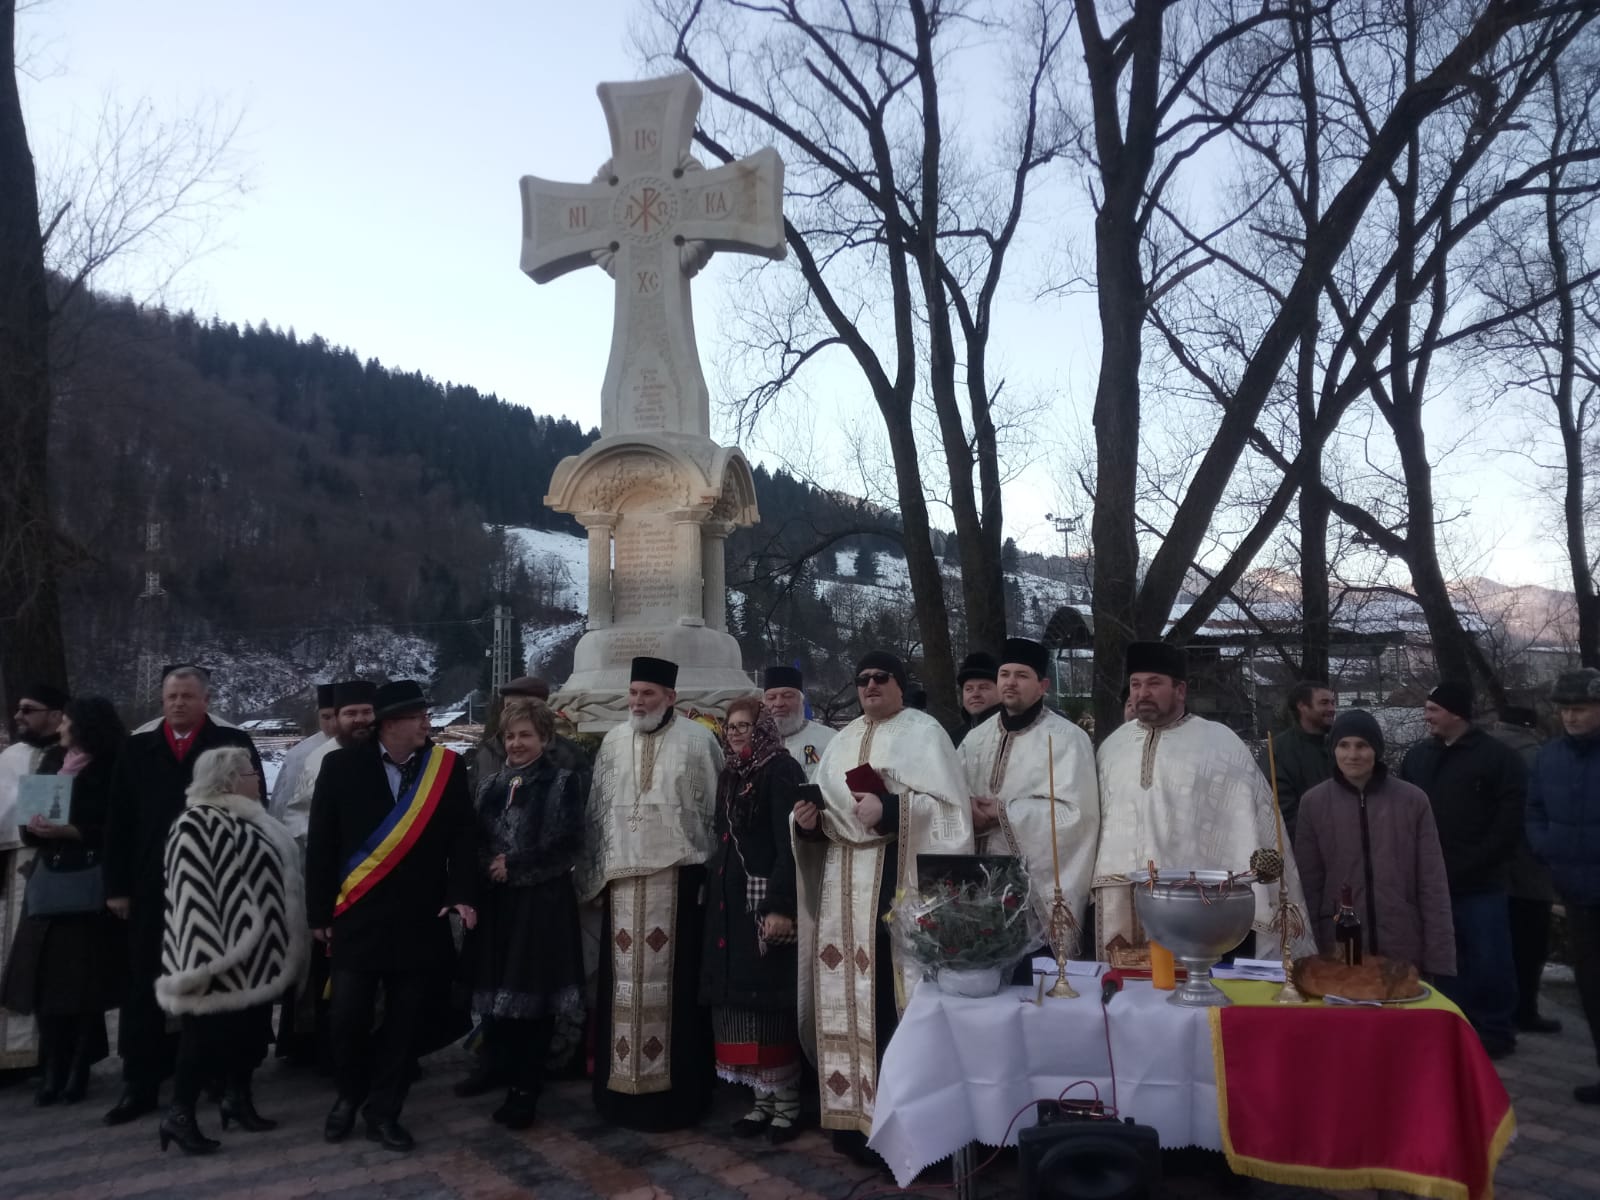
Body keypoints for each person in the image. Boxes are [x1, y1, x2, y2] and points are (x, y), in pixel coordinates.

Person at [794, 650, 973, 1165]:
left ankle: (907, 1128)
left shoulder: (926, 732)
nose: (870, 686)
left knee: (895, 1006)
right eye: (863, 679)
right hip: (843, 896)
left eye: (881, 678)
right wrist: (809, 821)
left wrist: (893, 808)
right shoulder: (843, 739)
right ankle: (854, 1121)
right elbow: (830, 816)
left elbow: (952, 815)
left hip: (900, 889)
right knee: (849, 999)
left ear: (900, 684)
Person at [305, 679, 478, 1152]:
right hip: (357, 917)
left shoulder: (446, 768)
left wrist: (462, 892)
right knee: (347, 1019)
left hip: (420, 919)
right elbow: (321, 843)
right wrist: (318, 912)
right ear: (390, 724)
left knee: (406, 1024)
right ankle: (348, 1095)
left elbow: (464, 837)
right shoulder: (340, 767)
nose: (428, 723)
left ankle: (385, 1110)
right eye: (418, 716)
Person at [103, 665, 263, 1125]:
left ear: (206, 700)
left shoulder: (232, 747)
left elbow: (254, 812)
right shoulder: (138, 749)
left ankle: (225, 1080)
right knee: (146, 986)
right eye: (171, 696)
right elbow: (119, 823)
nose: (178, 703)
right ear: (161, 700)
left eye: (187, 696)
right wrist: (116, 887)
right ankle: (140, 1083)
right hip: (153, 887)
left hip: (218, 890)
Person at [1092, 642, 1314, 962]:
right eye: (1136, 684)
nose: (1142, 693)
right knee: (1128, 994)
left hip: (1201, 901)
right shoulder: (1112, 747)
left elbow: (1249, 822)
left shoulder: (1220, 743)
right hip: (1120, 894)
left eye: (1154, 683)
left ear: (1180, 690)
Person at [577, 656, 722, 1131]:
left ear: (671, 698)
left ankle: (678, 1098)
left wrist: (710, 875)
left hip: (679, 882)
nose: (638, 702)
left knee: (676, 990)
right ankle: (618, 1094)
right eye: (634, 693)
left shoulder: (699, 741)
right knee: (620, 988)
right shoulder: (614, 741)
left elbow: (715, 811)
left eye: (649, 694)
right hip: (622, 882)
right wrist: (595, 875)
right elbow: (598, 810)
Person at [154, 747, 306, 1154]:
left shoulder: (255, 820)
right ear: (229, 779)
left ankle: (238, 1099)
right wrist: (212, 958)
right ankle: (179, 1114)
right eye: (250, 772)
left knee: (250, 1033)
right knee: (202, 1038)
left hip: (260, 955)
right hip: (219, 955)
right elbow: (192, 896)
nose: (258, 777)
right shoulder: (196, 822)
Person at [457, 698, 585, 1129]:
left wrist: (514, 866)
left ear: (545, 739)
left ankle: (525, 1088)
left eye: (525, 735)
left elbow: (565, 843)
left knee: (532, 1000)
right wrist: (486, 866)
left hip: (540, 906)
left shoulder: (563, 783)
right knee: (496, 994)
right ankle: (496, 1065)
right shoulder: (490, 785)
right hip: (498, 904)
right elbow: (474, 837)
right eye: (510, 735)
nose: (516, 743)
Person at [1, 696, 126, 1104]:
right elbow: (30, 824)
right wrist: (36, 828)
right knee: (48, 986)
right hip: (50, 882)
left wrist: (74, 833)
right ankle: (53, 1064)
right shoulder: (53, 760)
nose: (61, 729)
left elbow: (118, 824)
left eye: (68, 722)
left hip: (88, 883)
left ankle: (78, 1069)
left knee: (83, 987)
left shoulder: (112, 765)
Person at [701, 697, 806, 1144]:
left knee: (768, 1003)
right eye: (730, 726)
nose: (736, 733)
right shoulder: (731, 774)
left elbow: (790, 843)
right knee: (741, 1005)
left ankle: (788, 1103)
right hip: (730, 906)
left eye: (745, 726)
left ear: (762, 729)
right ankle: (760, 1101)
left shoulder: (780, 770)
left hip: (764, 902)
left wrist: (781, 904)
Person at [1400, 682, 1524, 1058]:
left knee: (1489, 959)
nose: (1427, 716)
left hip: (1481, 883)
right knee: (1444, 960)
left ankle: (1496, 1030)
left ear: (1456, 713)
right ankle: (1454, 1024)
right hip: (1432, 885)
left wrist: (1474, 864)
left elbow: (1509, 823)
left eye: (1434, 709)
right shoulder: (1419, 757)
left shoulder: (1498, 758)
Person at [959, 638, 1100, 964]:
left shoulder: (1068, 739)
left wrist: (1005, 812)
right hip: (977, 883)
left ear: (1042, 685)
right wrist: (966, 808)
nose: (1010, 682)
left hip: (1032, 893)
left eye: (1021, 675)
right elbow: (952, 794)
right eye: (1004, 674)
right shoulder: (975, 739)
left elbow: (1078, 817)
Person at [1293, 710, 1454, 978]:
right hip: (1339, 945)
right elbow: (1307, 884)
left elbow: (1432, 883)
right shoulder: (1314, 803)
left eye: (1362, 745)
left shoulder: (1412, 801)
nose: (1352, 755)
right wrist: (1306, 952)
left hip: (1402, 944)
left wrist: (1440, 958)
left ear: (1376, 750)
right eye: (1343, 745)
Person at [276, 679, 377, 1064]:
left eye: (365, 712)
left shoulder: (389, 751)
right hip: (335, 881)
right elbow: (296, 817)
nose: (358, 720)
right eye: (349, 713)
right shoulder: (319, 759)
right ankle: (331, 1051)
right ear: (336, 718)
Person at [1526, 669, 1600, 1103]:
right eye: (1566, 709)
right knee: (1592, 988)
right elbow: (1533, 809)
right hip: (1576, 891)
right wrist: (1545, 846)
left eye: (1581, 709)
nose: (1571, 717)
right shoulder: (1549, 756)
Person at [0, 681, 68, 1074]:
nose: (18, 716)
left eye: (28, 709)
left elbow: (48, 821)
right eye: (18, 710)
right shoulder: (11, 757)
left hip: (58, 868)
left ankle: (51, 1054)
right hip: (13, 869)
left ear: (56, 715)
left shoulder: (67, 756)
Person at [1494, 706, 1561, 1035]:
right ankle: (1524, 1011)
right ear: (1531, 727)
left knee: (1494, 944)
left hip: (1488, 868)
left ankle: (1497, 1009)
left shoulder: (1482, 750)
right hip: (1530, 866)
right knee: (1530, 945)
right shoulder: (1537, 756)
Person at [1264, 681, 1335, 840]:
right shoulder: (1279, 751)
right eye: (1324, 703)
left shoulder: (1340, 745)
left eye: (1333, 702)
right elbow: (1281, 808)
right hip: (1303, 847)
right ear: (1302, 706)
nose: (1332, 709)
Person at [269, 684, 337, 823]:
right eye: (326, 717)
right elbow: (281, 803)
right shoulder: (299, 754)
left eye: (338, 715)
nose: (333, 724)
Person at [762, 666, 834, 780]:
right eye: (771, 698)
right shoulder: (754, 741)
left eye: (787, 696)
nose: (779, 703)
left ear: (801, 701)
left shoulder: (830, 739)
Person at [953, 652, 1000, 747]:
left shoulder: (1013, 735)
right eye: (969, 689)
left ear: (1000, 691)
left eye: (983, 688)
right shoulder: (953, 739)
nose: (975, 694)